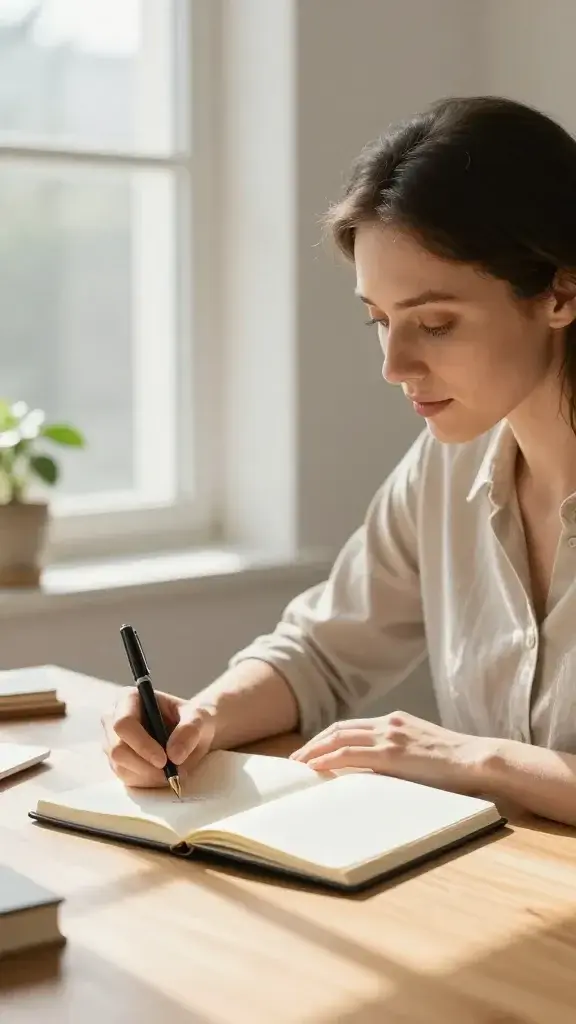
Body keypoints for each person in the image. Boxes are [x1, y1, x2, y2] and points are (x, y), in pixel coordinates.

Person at [103, 95, 576, 827]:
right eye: (380, 321)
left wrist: (473, 760)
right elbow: (321, 653)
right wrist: (201, 719)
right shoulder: (445, 469)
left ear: (560, 290)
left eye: (436, 323)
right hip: (504, 897)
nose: (394, 364)